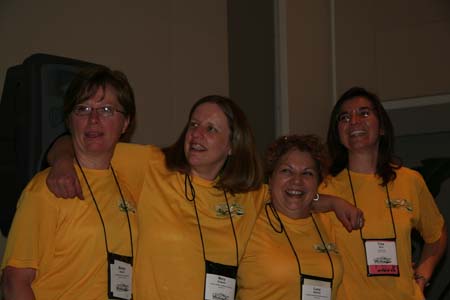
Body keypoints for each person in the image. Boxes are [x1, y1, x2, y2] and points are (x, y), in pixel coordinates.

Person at [45, 95, 362, 299]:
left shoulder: (246, 196)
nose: (196, 134)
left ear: (230, 145)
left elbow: (293, 195)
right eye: (194, 125)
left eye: (211, 129)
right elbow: (80, 142)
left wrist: (333, 203)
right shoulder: (153, 165)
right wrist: (60, 161)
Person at [1, 65, 138, 299]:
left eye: (106, 109)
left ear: (125, 123)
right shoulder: (46, 189)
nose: (93, 119)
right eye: (82, 109)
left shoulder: (134, 182)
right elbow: (14, 283)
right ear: (69, 120)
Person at [319, 86, 447, 300]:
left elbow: (437, 234)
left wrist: (422, 278)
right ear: (338, 133)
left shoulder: (410, 180)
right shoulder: (324, 187)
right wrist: (331, 202)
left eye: (364, 113)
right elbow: (295, 203)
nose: (354, 121)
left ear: (382, 128)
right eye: (344, 117)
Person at [237, 134, 343, 300]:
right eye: (286, 171)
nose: (297, 181)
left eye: (307, 173)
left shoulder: (328, 223)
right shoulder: (250, 221)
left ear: (318, 184)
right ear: (270, 180)